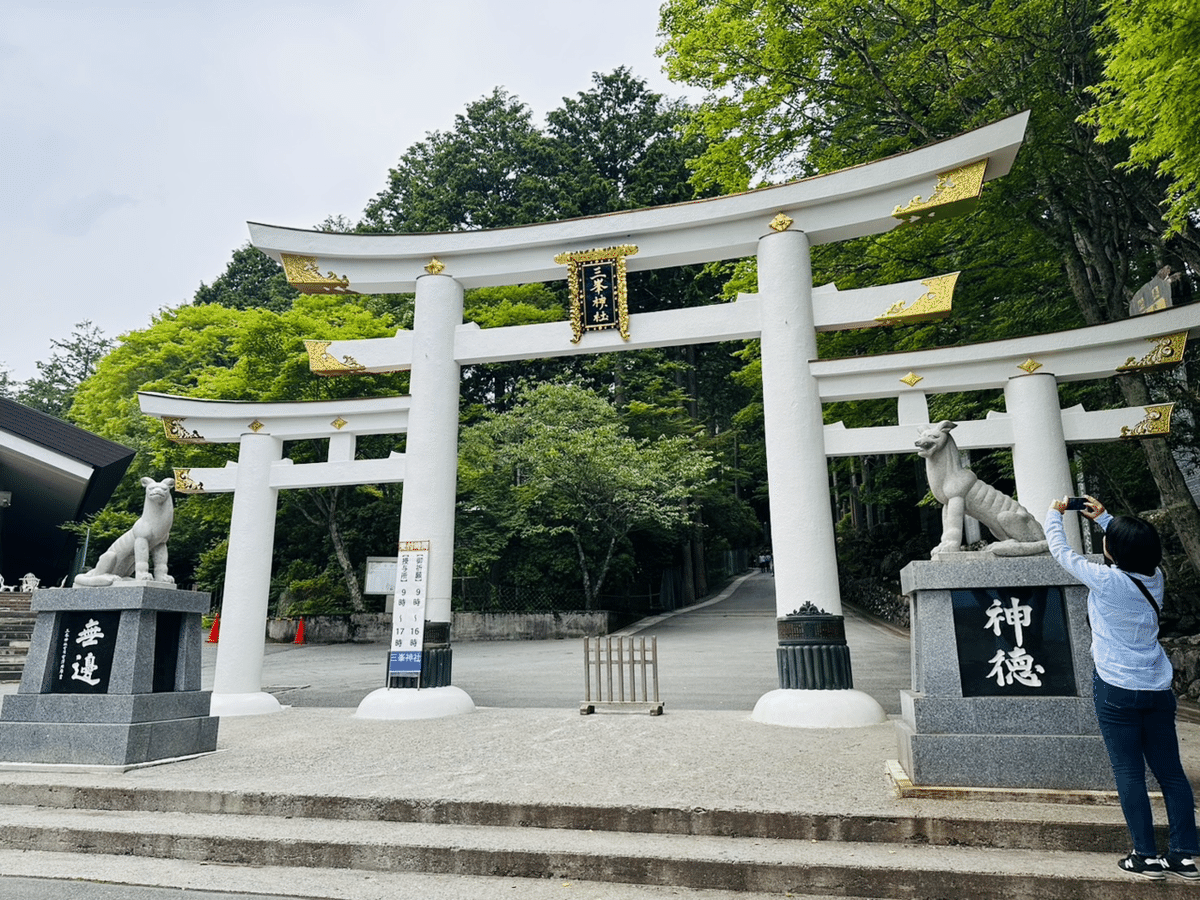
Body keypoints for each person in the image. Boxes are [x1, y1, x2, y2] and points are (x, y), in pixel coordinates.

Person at [1045, 495, 1199, 881]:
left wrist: (1055, 512)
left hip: (1115, 687)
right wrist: (1106, 519)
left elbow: (1060, 550)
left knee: (1129, 771)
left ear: (1112, 550)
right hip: (1157, 687)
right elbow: (1130, 549)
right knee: (1171, 773)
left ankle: (1144, 855)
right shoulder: (1156, 577)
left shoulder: (1107, 580)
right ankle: (1183, 855)